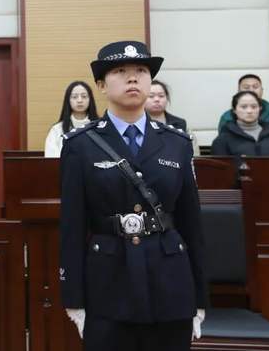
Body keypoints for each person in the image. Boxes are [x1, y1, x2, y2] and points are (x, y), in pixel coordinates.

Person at [59, 41, 205, 351]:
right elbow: (72, 226)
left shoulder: (177, 143)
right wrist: (73, 298)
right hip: (108, 283)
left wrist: (200, 298)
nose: (133, 78)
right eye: (120, 71)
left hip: (170, 282)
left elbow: (192, 223)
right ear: (101, 85)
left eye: (141, 70)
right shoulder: (80, 145)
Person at [217, 74, 269, 149]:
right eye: (246, 87)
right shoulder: (227, 118)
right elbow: (222, 146)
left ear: (262, 90)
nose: (251, 90)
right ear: (238, 91)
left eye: (255, 87)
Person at [211, 91, 269, 156]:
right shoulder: (223, 139)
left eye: (254, 107)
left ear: (260, 109)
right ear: (234, 110)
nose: (249, 111)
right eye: (244, 107)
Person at [44, 80, 98, 157]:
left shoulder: (100, 126)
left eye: (84, 96)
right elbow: (51, 158)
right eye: (74, 97)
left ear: (90, 100)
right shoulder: (57, 129)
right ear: (68, 100)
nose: (79, 100)